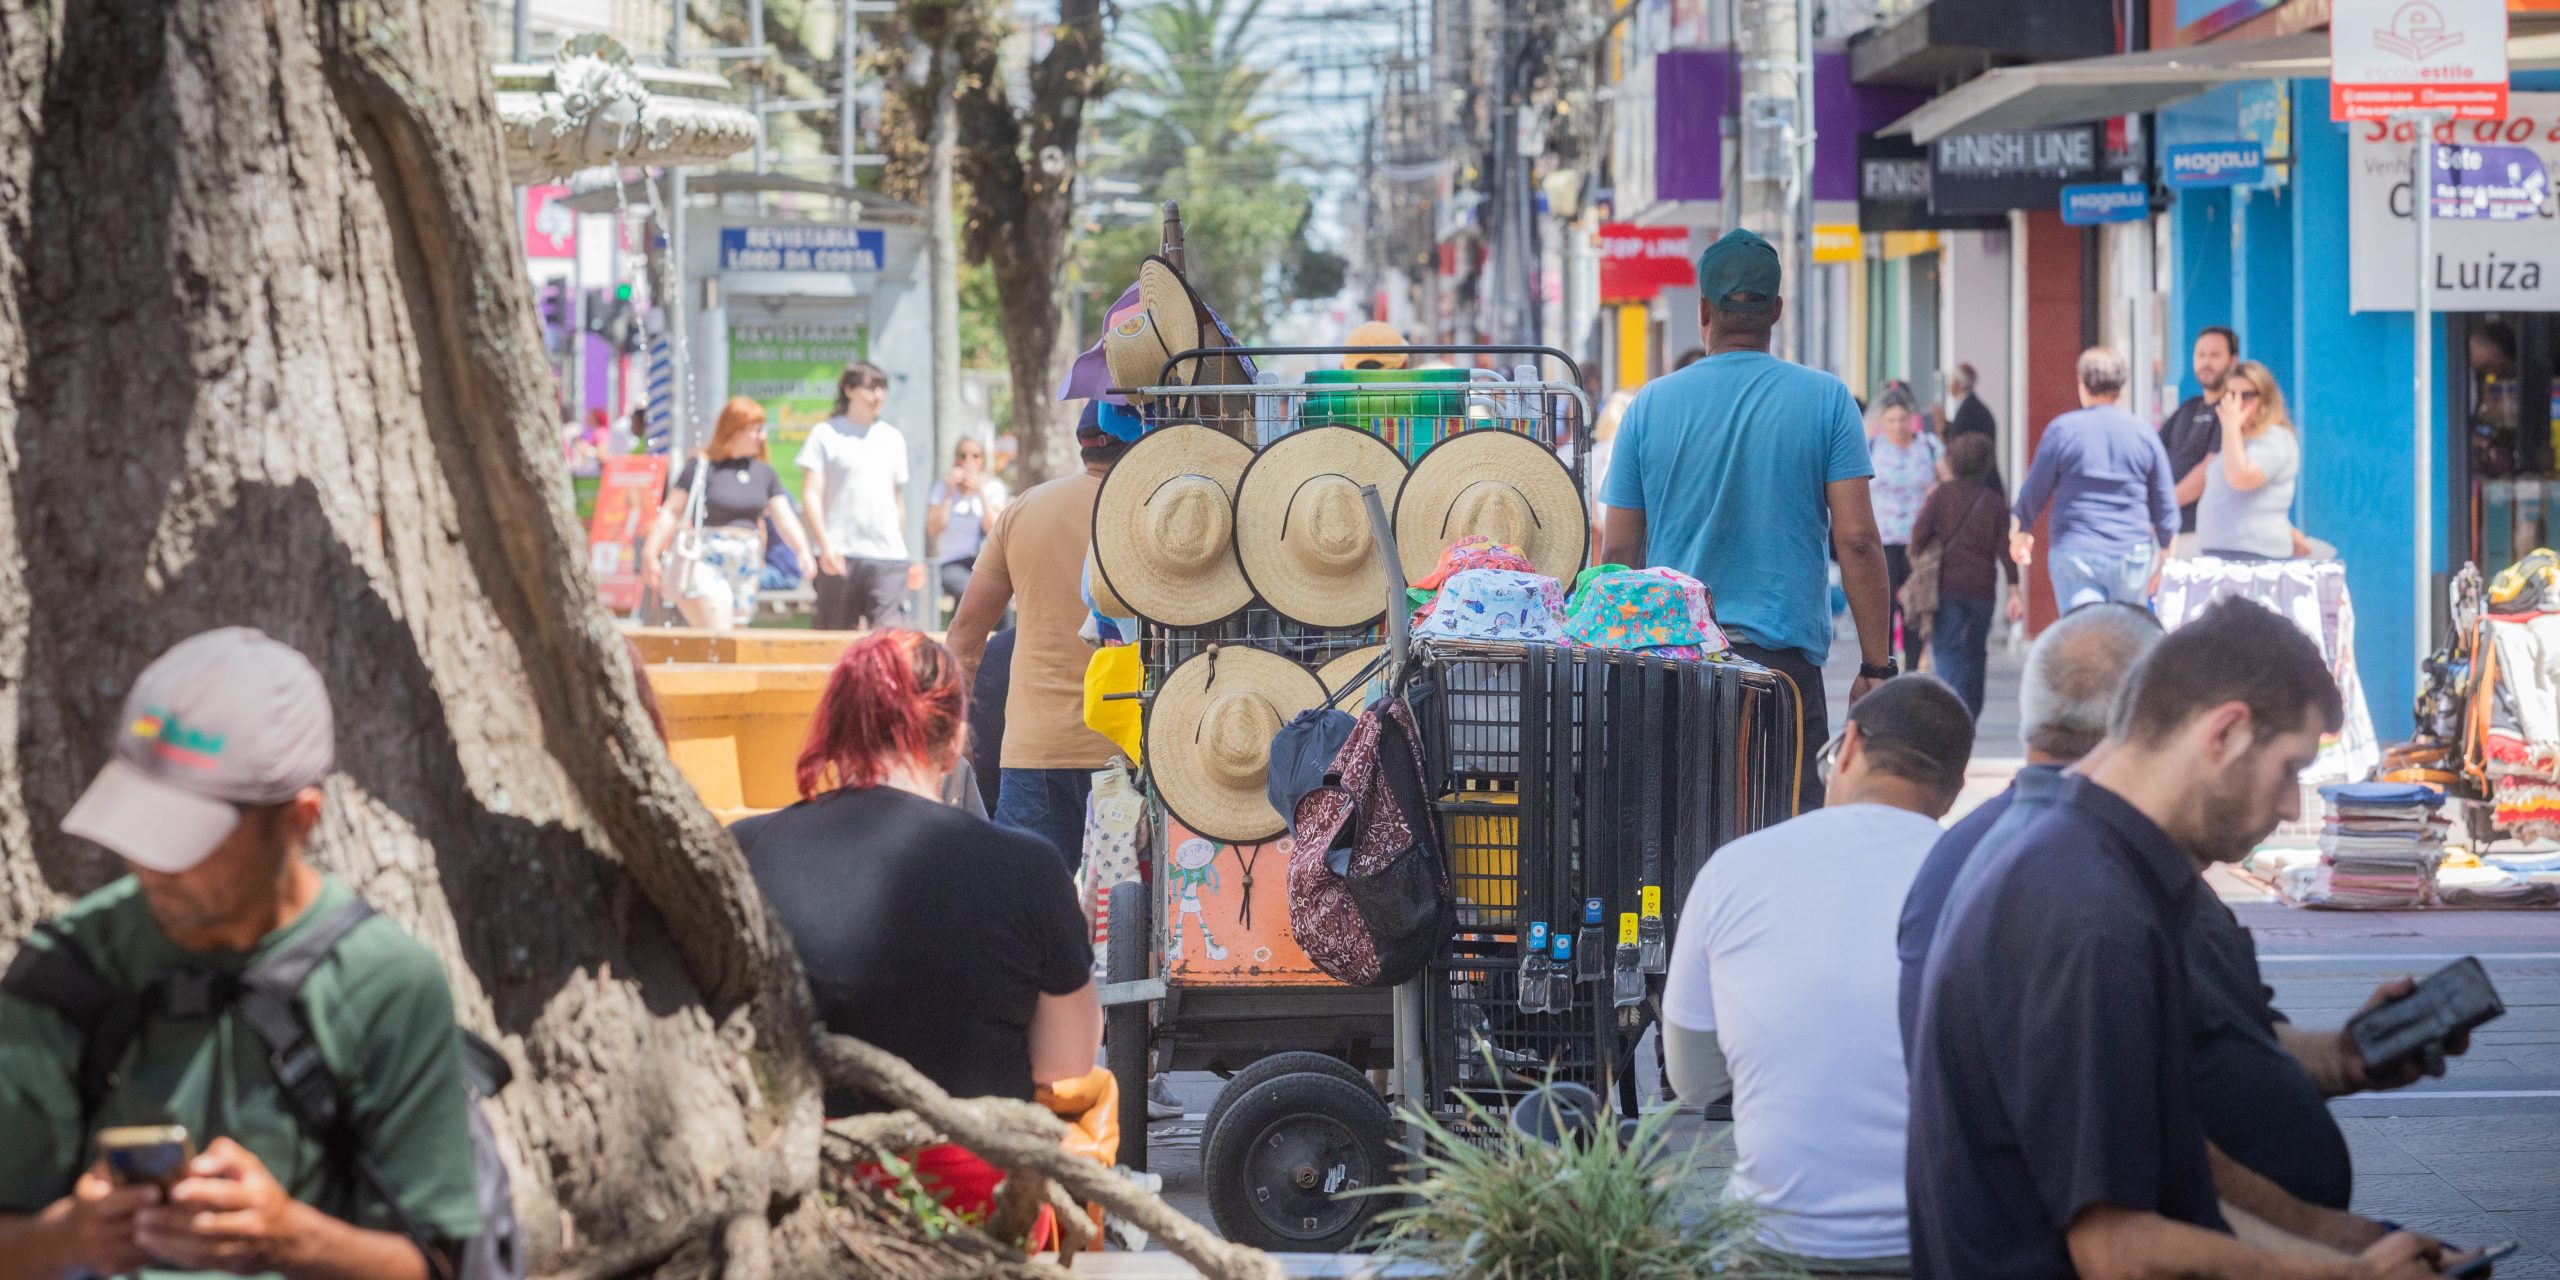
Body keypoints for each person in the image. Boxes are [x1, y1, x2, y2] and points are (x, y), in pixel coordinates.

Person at [1898, 602, 2474, 1252]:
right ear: (2223, 732)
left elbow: (2180, 1168)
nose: (2291, 808)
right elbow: (2118, 1247)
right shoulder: (2085, 904)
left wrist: (2350, 1242)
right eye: (2289, 770)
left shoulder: (2095, 862)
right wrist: (2350, 1271)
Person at [0, 629, 482, 1280]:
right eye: (139, 824)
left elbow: (433, 1268)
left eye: (183, 837)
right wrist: (71, 1237)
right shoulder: (67, 969)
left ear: (299, 821)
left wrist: (289, 1239)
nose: (150, 865)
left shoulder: (389, 985)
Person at [731, 630, 1100, 1221]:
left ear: (835, 729)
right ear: (954, 740)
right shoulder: (1029, 866)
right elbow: (1068, 1066)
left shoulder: (746, 849)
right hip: (974, 1198)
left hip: (800, 1191)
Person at [1664, 676, 1975, 1272]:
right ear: (1954, 790)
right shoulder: (1985, 880)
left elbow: (1693, 1080)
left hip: (1772, 1244)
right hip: (1940, 1246)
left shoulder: (1734, 870)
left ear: (1850, 744)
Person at [1598, 228, 1895, 809]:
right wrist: (1876, 666)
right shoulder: (1828, 399)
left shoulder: (1649, 405)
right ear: (1776, 311)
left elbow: (1618, 555)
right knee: (1783, 827)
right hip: (1780, 675)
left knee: (1677, 833)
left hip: (1674, 663)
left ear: (1703, 311)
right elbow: (1857, 540)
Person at [948, 406, 1129, 872]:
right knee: (1136, 924)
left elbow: (965, 636)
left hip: (1035, 751)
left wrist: (956, 730)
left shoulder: (1026, 508)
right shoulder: (1153, 507)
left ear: (1083, 441)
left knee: (1017, 919)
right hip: (1131, 752)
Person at [2009, 348, 2178, 615]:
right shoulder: (2143, 433)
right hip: (2131, 554)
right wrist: (2166, 557)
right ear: (2121, 386)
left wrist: (2020, 532)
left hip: (2076, 550)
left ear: (2081, 382)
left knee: (2084, 641)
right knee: (2126, 641)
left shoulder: (2063, 431)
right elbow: (2165, 502)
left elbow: (2034, 492)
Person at [640, 396, 816, 631]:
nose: (762, 437)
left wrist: (802, 550)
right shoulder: (701, 467)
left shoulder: (764, 474)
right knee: (720, 629)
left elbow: (784, 518)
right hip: (706, 559)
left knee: (735, 638)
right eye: (755, 430)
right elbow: (671, 511)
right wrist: (650, 550)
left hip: (746, 563)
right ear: (734, 430)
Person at [799, 359, 920, 631]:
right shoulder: (825, 434)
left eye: (882, 388)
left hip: (888, 556)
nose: (878, 396)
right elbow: (811, 496)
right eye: (870, 388)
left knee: (891, 641)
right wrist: (824, 545)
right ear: (849, 390)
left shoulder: (892, 438)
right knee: (832, 640)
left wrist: (899, 543)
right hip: (840, 553)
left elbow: (897, 498)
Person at [1908, 434, 2014, 718]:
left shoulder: (1942, 495)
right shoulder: (1995, 503)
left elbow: (1918, 536)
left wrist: (1921, 555)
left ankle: (1952, 710)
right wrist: (2014, 590)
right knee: (1976, 654)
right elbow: (2006, 551)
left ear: (1953, 461)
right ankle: (1971, 711)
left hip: (1947, 587)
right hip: (1983, 591)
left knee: (1946, 650)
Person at [2195, 360, 2302, 562]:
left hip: (2255, 554)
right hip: (2222, 552)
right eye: (2231, 395)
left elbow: (2241, 478)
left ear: (2265, 399)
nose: (2237, 403)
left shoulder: (2275, 437)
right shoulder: (2238, 439)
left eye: (2247, 395)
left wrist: (2231, 427)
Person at [1868, 388, 1941, 675]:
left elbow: (1945, 486)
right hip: (1882, 541)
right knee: (1882, 610)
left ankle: (1912, 671)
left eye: (1902, 419)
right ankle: (1882, 671)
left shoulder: (1929, 446)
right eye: (1891, 420)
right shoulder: (1872, 448)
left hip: (1917, 542)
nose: (1897, 425)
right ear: (1882, 423)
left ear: (1912, 419)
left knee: (1914, 608)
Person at [2159, 326, 2240, 553]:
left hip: (2203, 536)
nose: (2206, 362)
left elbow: (2210, 469)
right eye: (2201, 355)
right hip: (2172, 532)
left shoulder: (2231, 410)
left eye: (2215, 355)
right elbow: (2152, 457)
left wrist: (2164, 506)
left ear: (2233, 361)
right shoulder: (2188, 407)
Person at [927, 437, 1011, 621]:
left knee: (998, 591)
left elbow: (996, 529)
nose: (968, 462)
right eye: (962, 456)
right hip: (952, 561)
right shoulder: (942, 489)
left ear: (983, 460)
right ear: (956, 459)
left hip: (984, 561)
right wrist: (950, 492)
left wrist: (980, 492)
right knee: (970, 590)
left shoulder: (992, 488)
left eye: (975, 456)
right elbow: (933, 528)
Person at [1945, 363, 1996, 445]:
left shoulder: (1968, 410)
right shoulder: (1973, 406)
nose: (1948, 386)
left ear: (1958, 384)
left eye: (1950, 381)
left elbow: (1957, 438)